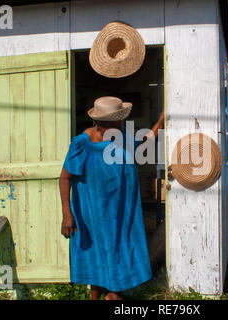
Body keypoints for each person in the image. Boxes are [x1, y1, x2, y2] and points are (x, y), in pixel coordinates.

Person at [59, 96, 164, 300]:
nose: (123, 122)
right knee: (96, 252)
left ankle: (114, 293)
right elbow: (65, 177)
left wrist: (160, 121)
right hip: (93, 212)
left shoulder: (121, 137)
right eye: (119, 119)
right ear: (104, 123)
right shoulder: (82, 144)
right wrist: (67, 214)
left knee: (121, 247)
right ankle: (98, 297)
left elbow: (144, 143)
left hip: (121, 210)